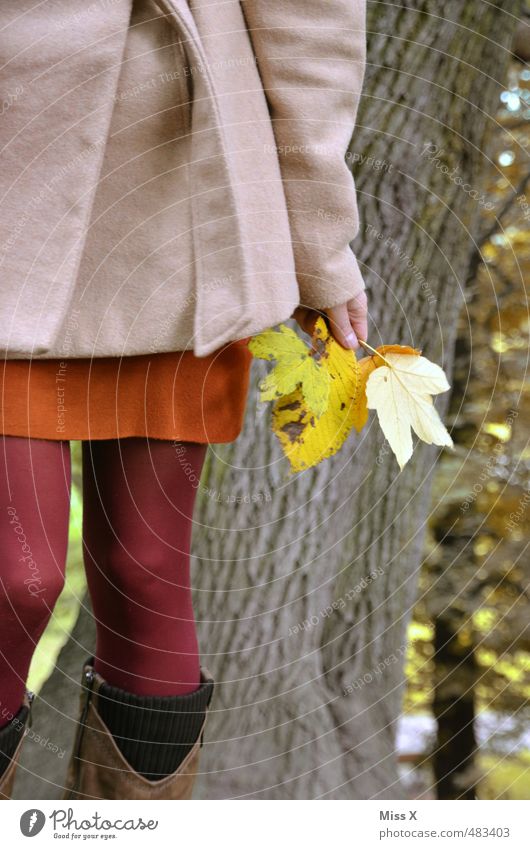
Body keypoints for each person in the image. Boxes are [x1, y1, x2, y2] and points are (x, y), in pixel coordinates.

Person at [0, 0, 367, 799]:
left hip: (187, 189)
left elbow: (312, 24)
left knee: (147, 564)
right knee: (14, 577)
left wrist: (319, 242)